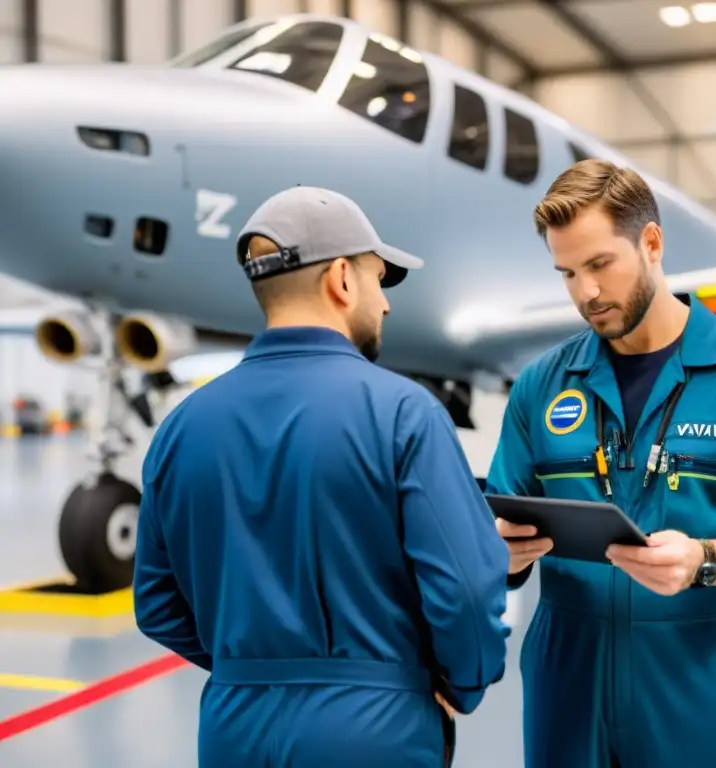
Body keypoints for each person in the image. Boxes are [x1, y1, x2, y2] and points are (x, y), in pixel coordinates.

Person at [133, 186, 511, 767]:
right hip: (374, 727)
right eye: (378, 280)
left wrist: (253, 669)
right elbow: (463, 588)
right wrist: (460, 684)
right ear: (341, 278)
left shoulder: (181, 427)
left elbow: (157, 603)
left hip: (233, 727)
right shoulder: (404, 414)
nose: (384, 304)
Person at [485, 160, 716, 768]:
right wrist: (500, 554)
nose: (586, 293)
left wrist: (707, 561)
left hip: (701, 684)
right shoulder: (540, 387)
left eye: (600, 265)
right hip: (566, 687)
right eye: (567, 272)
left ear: (651, 243)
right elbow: (496, 519)